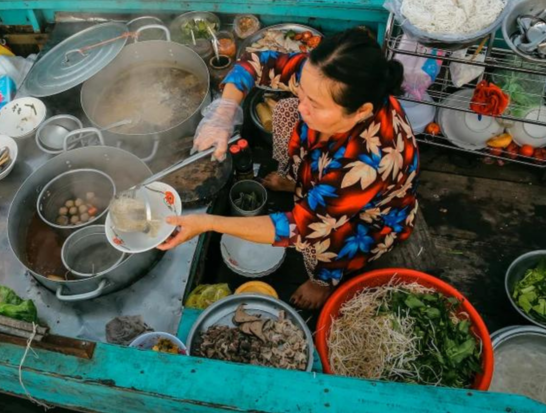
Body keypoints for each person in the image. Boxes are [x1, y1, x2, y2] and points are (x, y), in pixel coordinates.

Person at [160, 28, 420, 309]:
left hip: (365, 219)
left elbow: (300, 228)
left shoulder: (367, 162)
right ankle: (297, 183)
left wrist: (206, 223)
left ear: (361, 111)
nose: (304, 106)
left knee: (324, 243)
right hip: (324, 172)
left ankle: (322, 282)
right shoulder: (325, 76)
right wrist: (222, 114)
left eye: (316, 104)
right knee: (286, 110)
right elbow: (257, 62)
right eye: (303, 92)